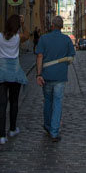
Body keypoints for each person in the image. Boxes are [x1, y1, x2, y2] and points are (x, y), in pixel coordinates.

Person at [0, 14, 28, 145]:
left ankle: (2, 136)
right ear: (16, 26)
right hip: (15, 72)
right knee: (14, 102)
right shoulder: (17, 37)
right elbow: (27, 35)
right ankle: (12, 129)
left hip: (1, 72)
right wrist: (23, 23)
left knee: (2, 105)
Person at [34, 14, 75, 142]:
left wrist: (38, 74)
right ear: (62, 27)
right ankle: (54, 131)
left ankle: (47, 126)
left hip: (46, 75)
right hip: (60, 76)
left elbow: (39, 56)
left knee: (47, 101)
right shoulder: (67, 39)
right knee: (57, 102)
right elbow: (71, 57)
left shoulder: (44, 38)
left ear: (52, 26)